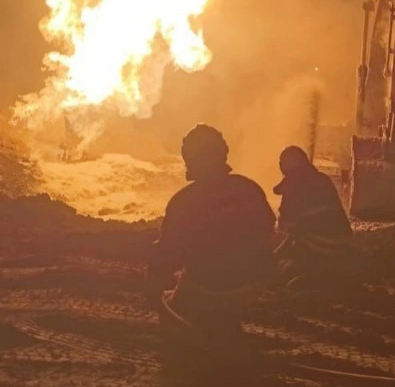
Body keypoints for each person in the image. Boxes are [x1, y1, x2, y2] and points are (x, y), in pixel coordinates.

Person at [147, 124, 276, 339]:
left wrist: (152, 287)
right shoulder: (250, 187)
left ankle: (189, 358)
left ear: (192, 159)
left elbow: (166, 255)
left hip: (209, 285)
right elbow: (268, 226)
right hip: (256, 279)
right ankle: (228, 318)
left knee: (171, 315)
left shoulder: (184, 200)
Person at [272, 145, 353, 286]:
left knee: (286, 256)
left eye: (281, 162)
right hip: (344, 243)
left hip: (322, 246)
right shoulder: (323, 179)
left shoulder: (292, 184)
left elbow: (288, 229)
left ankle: (309, 271)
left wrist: (274, 255)